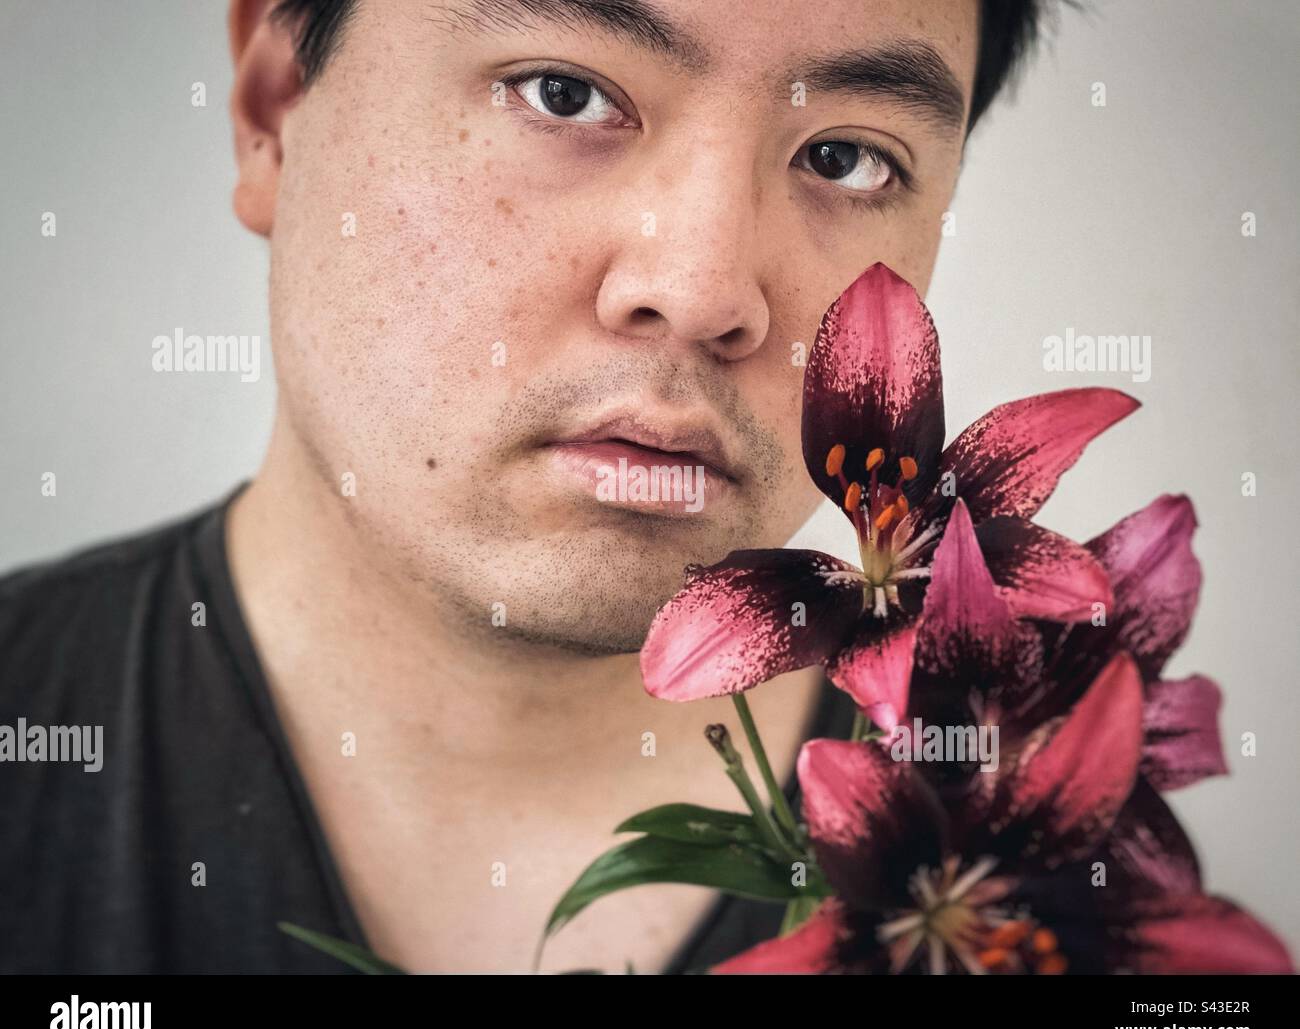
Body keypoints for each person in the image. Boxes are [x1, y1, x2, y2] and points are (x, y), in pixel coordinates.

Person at [0, 0, 1047, 973]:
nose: (699, 294)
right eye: (562, 93)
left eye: (845, 156)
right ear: (274, 105)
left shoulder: (1038, 868)